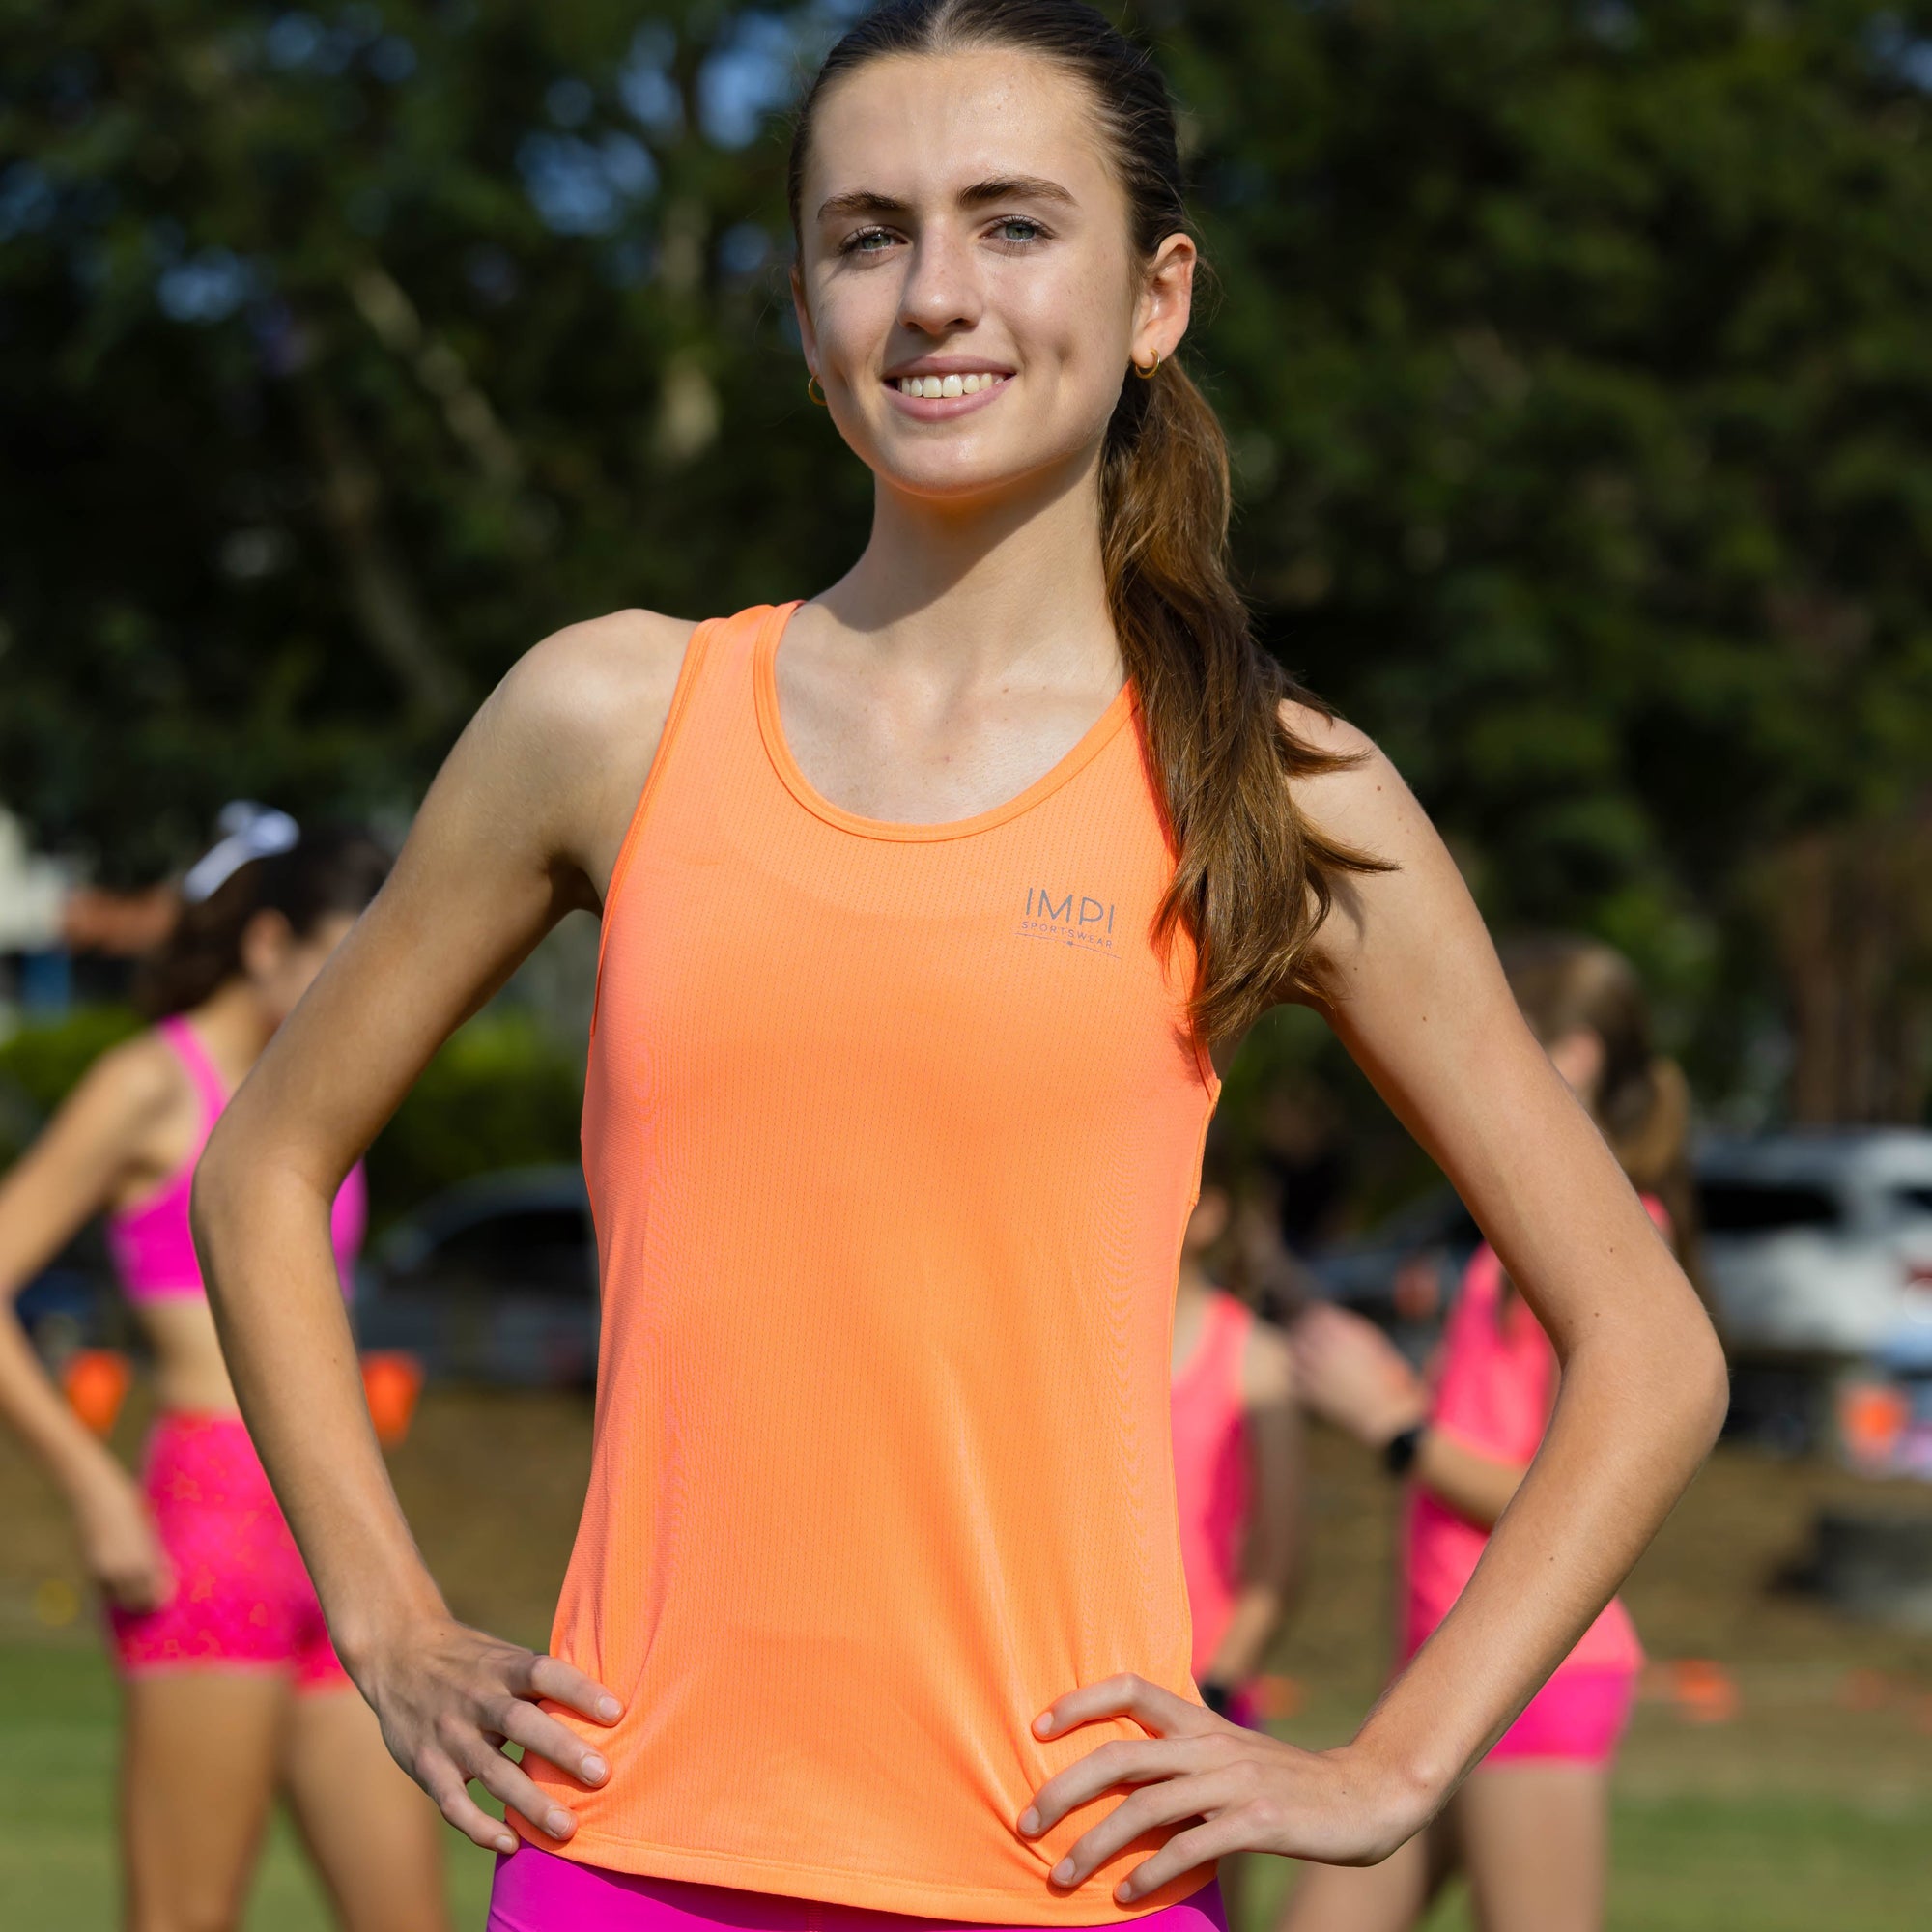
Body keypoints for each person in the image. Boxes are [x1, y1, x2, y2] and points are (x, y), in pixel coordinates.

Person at [191, 7, 1727, 1932]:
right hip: (631, 1860)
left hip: (1066, 1876)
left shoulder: (1271, 784)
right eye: (866, 234)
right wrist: (391, 1621)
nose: (934, 294)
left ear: (1156, 293)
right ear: (801, 308)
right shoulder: (606, 713)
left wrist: (1386, 1764)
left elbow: (1648, 1344)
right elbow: (259, 1167)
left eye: (1012, 224)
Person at [0, 807, 450, 1932]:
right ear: (267, 944)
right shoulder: (151, 1082)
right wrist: (93, 1483)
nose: (368, 988)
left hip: (341, 1531)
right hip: (208, 1534)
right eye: (342, 955)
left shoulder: (324, 1095)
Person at [1282, 935, 1707, 1932]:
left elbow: (1581, 1481)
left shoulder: (1614, 1235)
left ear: (1577, 1055)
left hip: (1531, 1676)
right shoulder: (1508, 1242)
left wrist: (1390, 1425)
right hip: (1439, 1668)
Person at [1170, 1133, 1300, 1924]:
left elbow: (1279, 1564)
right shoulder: (1076, 1342)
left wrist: (1214, 1694)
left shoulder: (1254, 1357)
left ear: (1210, 1213)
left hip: (1207, 1698)